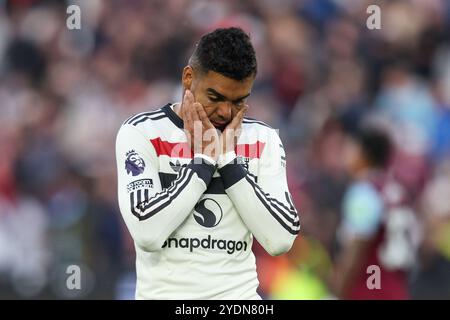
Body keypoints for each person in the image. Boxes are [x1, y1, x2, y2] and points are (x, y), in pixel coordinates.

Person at [115, 27, 300, 299]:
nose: (225, 112)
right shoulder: (141, 133)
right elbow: (148, 233)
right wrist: (202, 162)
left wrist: (227, 161)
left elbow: (280, 239)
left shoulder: (264, 139)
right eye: (215, 98)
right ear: (188, 79)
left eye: (239, 101)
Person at [331, 126, 420, 299]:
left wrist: (337, 287)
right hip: (397, 289)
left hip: (369, 288)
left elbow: (357, 245)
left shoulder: (364, 191)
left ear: (364, 153)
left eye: (351, 147)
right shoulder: (396, 190)